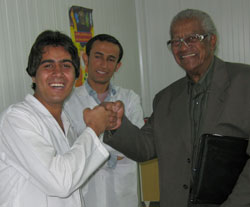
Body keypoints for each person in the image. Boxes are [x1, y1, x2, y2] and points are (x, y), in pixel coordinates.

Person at [103, 9, 250, 207]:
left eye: (192, 38)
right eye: (176, 41)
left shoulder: (244, 82)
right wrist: (116, 125)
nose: (183, 47)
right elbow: (145, 147)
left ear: (212, 40)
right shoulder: (165, 99)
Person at [0, 30, 118, 207]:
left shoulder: (65, 122)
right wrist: (94, 128)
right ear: (33, 74)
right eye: (48, 65)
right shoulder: (16, 119)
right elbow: (60, 182)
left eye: (66, 65)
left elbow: (73, 187)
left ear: (76, 75)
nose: (58, 73)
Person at [64, 34, 144, 207]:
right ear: (85, 58)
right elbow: (68, 150)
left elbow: (137, 145)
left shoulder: (130, 99)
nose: (103, 65)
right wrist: (115, 154)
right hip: (85, 195)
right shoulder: (68, 101)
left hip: (123, 195)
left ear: (118, 66)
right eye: (98, 57)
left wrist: (90, 150)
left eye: (111, 59)